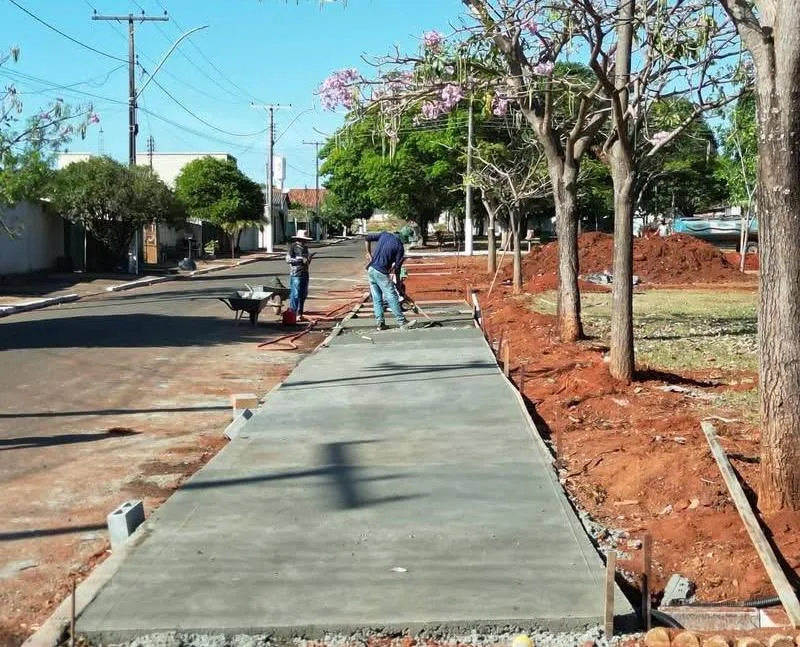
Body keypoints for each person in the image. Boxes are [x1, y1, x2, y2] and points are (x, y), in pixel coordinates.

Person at [365, 231, 417, 331]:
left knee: (377, 298)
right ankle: (402, 322)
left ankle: (380, 323)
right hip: (380, 271)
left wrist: (368, 252)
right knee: (392, 296)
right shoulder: (400, 247)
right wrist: (399, 287)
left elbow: (367, 238)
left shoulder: (384, 235)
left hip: (371, 270)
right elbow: (397, 270)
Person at [286, 229, 314, 322]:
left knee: (303, 294)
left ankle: (300, 313)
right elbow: (288, 259)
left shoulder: (305, 248)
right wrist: (299, 259)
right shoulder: (292, 247)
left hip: (305, 273)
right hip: (296, 274)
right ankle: (293, 313)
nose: (304, 241)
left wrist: (308, 259)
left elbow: (307, 261)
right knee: (296, 294)